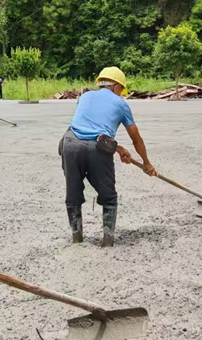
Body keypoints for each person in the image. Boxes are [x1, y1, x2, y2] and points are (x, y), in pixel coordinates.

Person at [60, 67, 157, 247]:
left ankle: (77, 238)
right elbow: (136, 139)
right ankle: (107, 242)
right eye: (121, 89)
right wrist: (147, 163)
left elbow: (87, 129)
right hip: (97, 148)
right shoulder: (121, 104)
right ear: (117, 86)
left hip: (69, 143)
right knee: (109, 197)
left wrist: (118, 149)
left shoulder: (85, 97)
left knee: (73, 194)